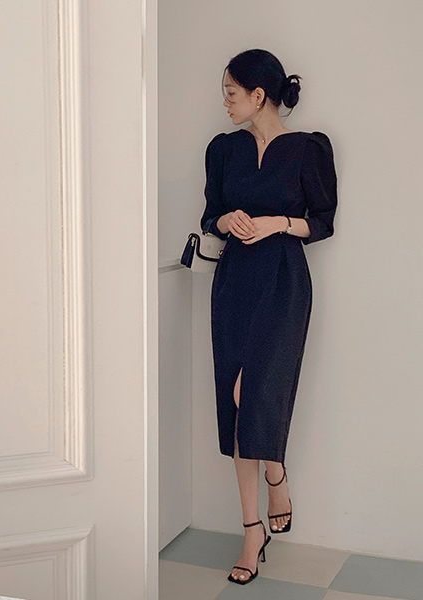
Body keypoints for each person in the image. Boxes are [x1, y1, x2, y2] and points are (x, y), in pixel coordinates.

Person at [200, 49, 338, 585]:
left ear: (259, 95)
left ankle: (275, 472)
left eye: (231, 93)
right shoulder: (223, 149)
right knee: (236, 399)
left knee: (257, 391)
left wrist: (278, 222)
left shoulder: (308, 149)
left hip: (283, 281)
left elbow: (322, 222)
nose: (226, 103)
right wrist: (228, 219)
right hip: (234, 282)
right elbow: (210, 215)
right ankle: (252, 529)